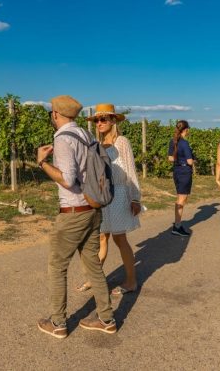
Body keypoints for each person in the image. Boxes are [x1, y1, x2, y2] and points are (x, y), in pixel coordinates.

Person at [36, 95, 116, 339]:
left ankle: (58, 322)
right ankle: (106, 319)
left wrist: (42, 163)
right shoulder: (86, 135)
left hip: (73, 212)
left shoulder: (62, 138)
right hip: (93, 209)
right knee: (93, 265)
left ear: (55, 114)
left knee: (57, 266)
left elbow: (68, 179)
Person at [77, 104, 140, 296]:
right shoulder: (96, 143)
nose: (99, 123)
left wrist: (135, 197)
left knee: (120, 239)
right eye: (97, 120)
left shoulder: (122, 142)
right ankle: (93, 278)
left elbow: (130, 170)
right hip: (103, 196)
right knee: (101, 237)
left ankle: (131, 281)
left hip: (119, 194)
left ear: (113, 120)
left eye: (103, 119)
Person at [168, 120, 194, 237]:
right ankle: (177, 226)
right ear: (186, 130)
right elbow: (190, 161)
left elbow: (170, 158)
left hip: (176, 171)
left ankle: (177, 223)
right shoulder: (185, 143)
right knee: (182, 199)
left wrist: (179, 159)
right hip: (184, 172)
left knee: (179, 198)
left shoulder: (173, 141)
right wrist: (193, 160)